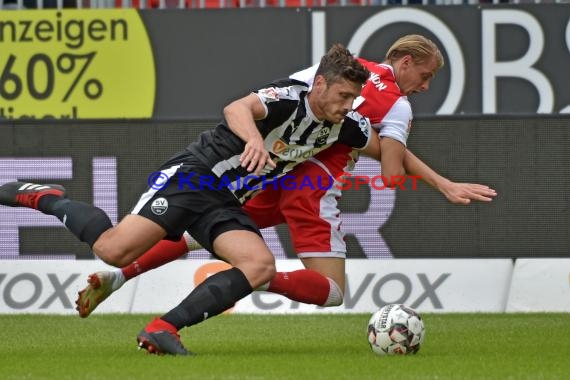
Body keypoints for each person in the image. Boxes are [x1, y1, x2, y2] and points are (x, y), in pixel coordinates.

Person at [74, 34, 497, 318]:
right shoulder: (399, 107)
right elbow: (390, 170)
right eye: (424, 77)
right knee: (332, 292)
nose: (423, 86)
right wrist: (416, 166)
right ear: (406, 63)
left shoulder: (334, 69)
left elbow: (284, 98)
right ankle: (251, 278)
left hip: (273, 170)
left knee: (198, 228)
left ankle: (118, 276)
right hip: (313, 187)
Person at [0, 43, 380, 355]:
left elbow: (389, 148)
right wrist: (252, 140)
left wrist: (436, 180)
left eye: (354, 97)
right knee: (113, 251)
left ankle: (163, 328)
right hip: (194, 178)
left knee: (258, 265)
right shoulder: (288, 98)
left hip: (225, 202)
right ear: (319, 85)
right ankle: (46, 198)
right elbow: (236, 107)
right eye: (343, 95)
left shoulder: (346, 125)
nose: (348, 104)